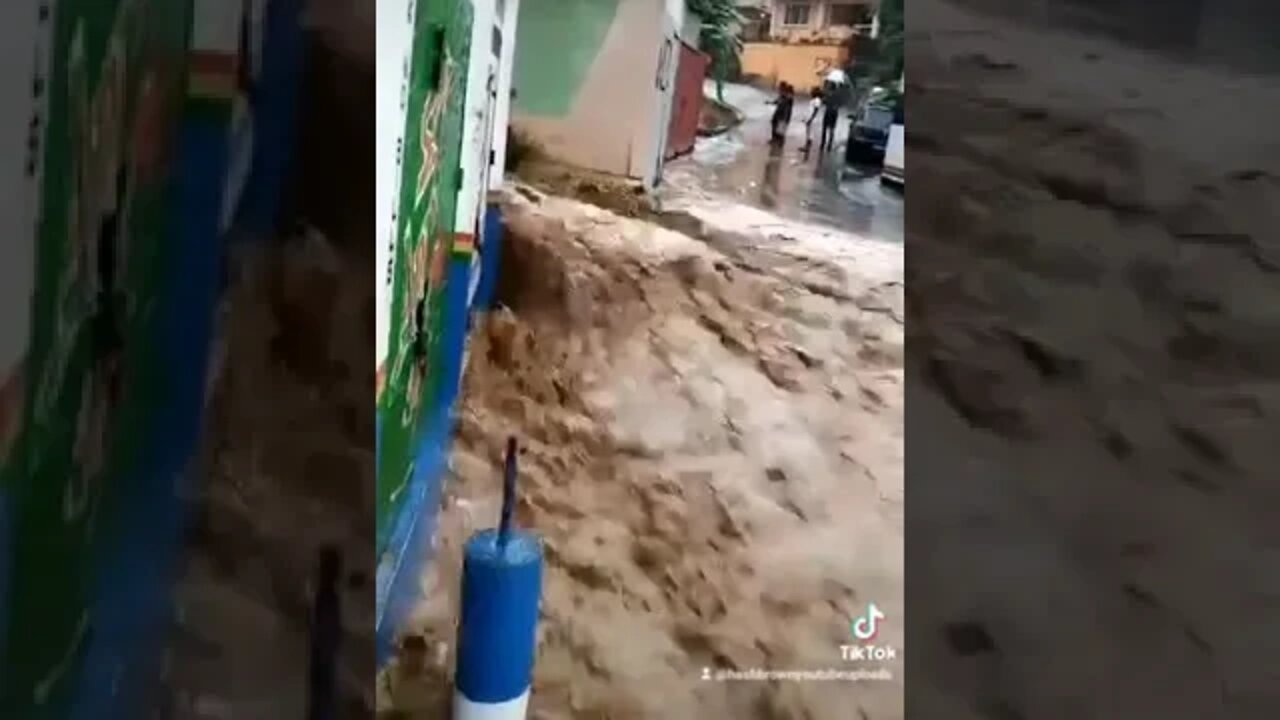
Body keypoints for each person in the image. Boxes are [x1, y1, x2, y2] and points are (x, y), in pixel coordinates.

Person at [802, 86, 824, 154]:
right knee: (808, 133)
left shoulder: (817, 100)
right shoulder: (813, 99)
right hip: (809, 118)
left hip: (813, 119)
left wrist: (811, 119)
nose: (811, 92)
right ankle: (806, 146)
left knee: (810, 134)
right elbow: (810, 110)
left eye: (813, 91)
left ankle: (807, 148)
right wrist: (805, 118)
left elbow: (815, 111)